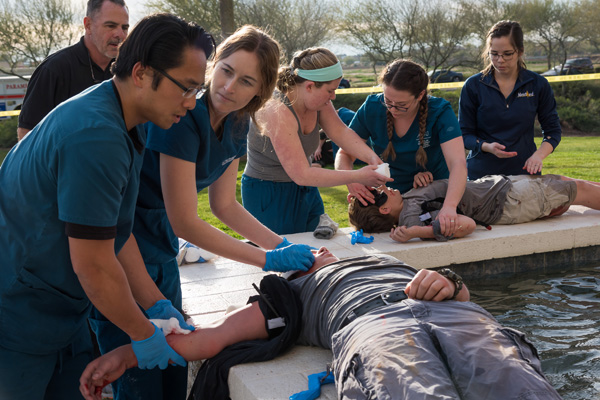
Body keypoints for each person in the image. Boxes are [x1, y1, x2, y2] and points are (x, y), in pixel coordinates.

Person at [88, 25, 316, 400]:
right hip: (125, 237)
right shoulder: (183, 116)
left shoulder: (239, 120)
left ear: (260, 89)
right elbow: (185, 221)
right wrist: (266, 259)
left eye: (245, 81)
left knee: (173, 361)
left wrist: (285, 248)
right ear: (214, 65)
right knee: (137, 373)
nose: (229, 87)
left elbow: (223, 204)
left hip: (159, 241)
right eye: (225, 70)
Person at [0, 13, 214, 399]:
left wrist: (156, 303)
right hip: (18, 320)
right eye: (186, 88)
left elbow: (115, 231)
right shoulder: (96, 135)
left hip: (58, 315)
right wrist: (143, 335)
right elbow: (95, 265)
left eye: (197, 91)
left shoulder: (126, 118)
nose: (190, 103)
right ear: (142, 73)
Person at [80, 249, 562, 400]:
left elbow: (460, 294)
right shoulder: (289, 295)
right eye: (305, 255)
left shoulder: (381, 258)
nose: (316, 252)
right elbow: (210, 338)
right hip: (372, 328)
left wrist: (450, 282)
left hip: (456, 314)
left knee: (517, 384)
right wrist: (124, 354)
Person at [241, 47, 392, 235]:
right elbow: (301, 174)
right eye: (330, 90)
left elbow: (340, 132)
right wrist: (356, 176)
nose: (333, 97)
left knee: (318, 249)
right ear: (310, 86)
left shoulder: (319, 102)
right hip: (269, 194)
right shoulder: (276, 110)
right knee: (285, 257)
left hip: (306, 189)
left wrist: (371, 157)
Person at [336, 59, 467, 238]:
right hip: (391, 204)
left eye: (401, 105)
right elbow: (344, 153)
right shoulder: (372, 107)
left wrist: (450, 207)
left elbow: (458, 163)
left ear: (420, 95)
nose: (393, 110)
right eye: (387, 101)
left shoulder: (439, 111)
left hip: (432, 198)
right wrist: (351, 179)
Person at [347, 173, 600, 243]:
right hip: (506, 202)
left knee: (565, 182)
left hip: (500, 188)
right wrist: (416, 232)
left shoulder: (408, 202)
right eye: (380, 195)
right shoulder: (412, 219)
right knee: (580, 190)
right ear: (382, 210)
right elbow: (467, 225)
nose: (384, 189)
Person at [458, 20, 561, 180]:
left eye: (507, 54)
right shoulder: (473, 85)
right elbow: (464, 134)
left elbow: (552, 131)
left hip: (525, 174)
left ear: (520, 51)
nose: (500, 60)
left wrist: (538, 156)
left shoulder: (538, 84)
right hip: (481, 177)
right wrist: (486, 147)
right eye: (494, 54)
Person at [17, 0, 130, 140]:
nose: (120, 35)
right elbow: (27, 133)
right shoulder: (54, 69)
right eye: (111, 26)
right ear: (88, 25)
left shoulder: (128, 70)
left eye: (124, 27)